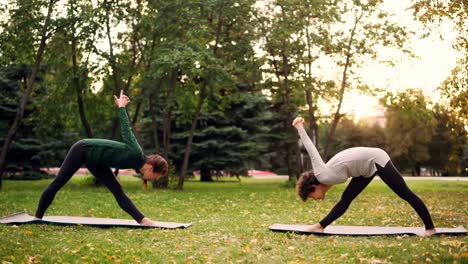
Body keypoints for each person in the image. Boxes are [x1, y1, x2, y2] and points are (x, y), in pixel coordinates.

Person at [35, 90, 168, 226]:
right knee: (59, 182)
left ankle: (143, 220)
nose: (155, 179)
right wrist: (121, 107)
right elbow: (126, 130)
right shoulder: (136, 153)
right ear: (151, 167)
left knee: (118, 191)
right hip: (83, 150)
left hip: (98, 162)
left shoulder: (138, 164)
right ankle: (37, 217)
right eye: (157, 176)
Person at [292, 117, 436, 236]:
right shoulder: (325, 177)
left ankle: (430, 228)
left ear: (313, 187)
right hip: (363, 170)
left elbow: (311, 150)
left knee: (405, 193)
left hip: (376, 160)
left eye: (312, 197)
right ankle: (320, 226)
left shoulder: (321, 175)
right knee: (345, 200)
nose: (315, 199)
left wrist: (299, 127)